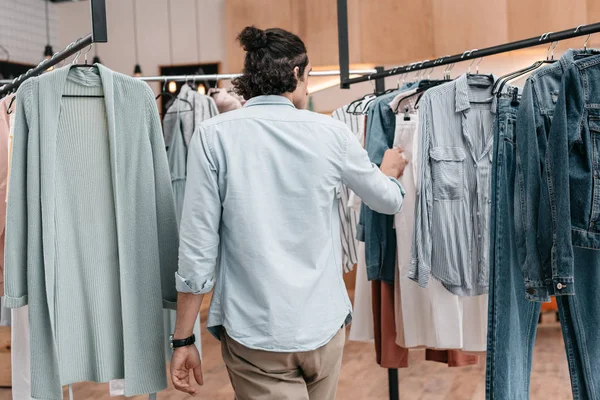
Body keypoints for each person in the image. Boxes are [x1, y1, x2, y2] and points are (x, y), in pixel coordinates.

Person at [170, 26, 408, 399]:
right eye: (309, 76)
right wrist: (389, 173)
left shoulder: (213, 135)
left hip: (255, 331)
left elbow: (197, 248)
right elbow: (387, 200)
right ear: (297, 74)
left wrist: (183, 338)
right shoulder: (331, 133)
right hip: (322, 326)